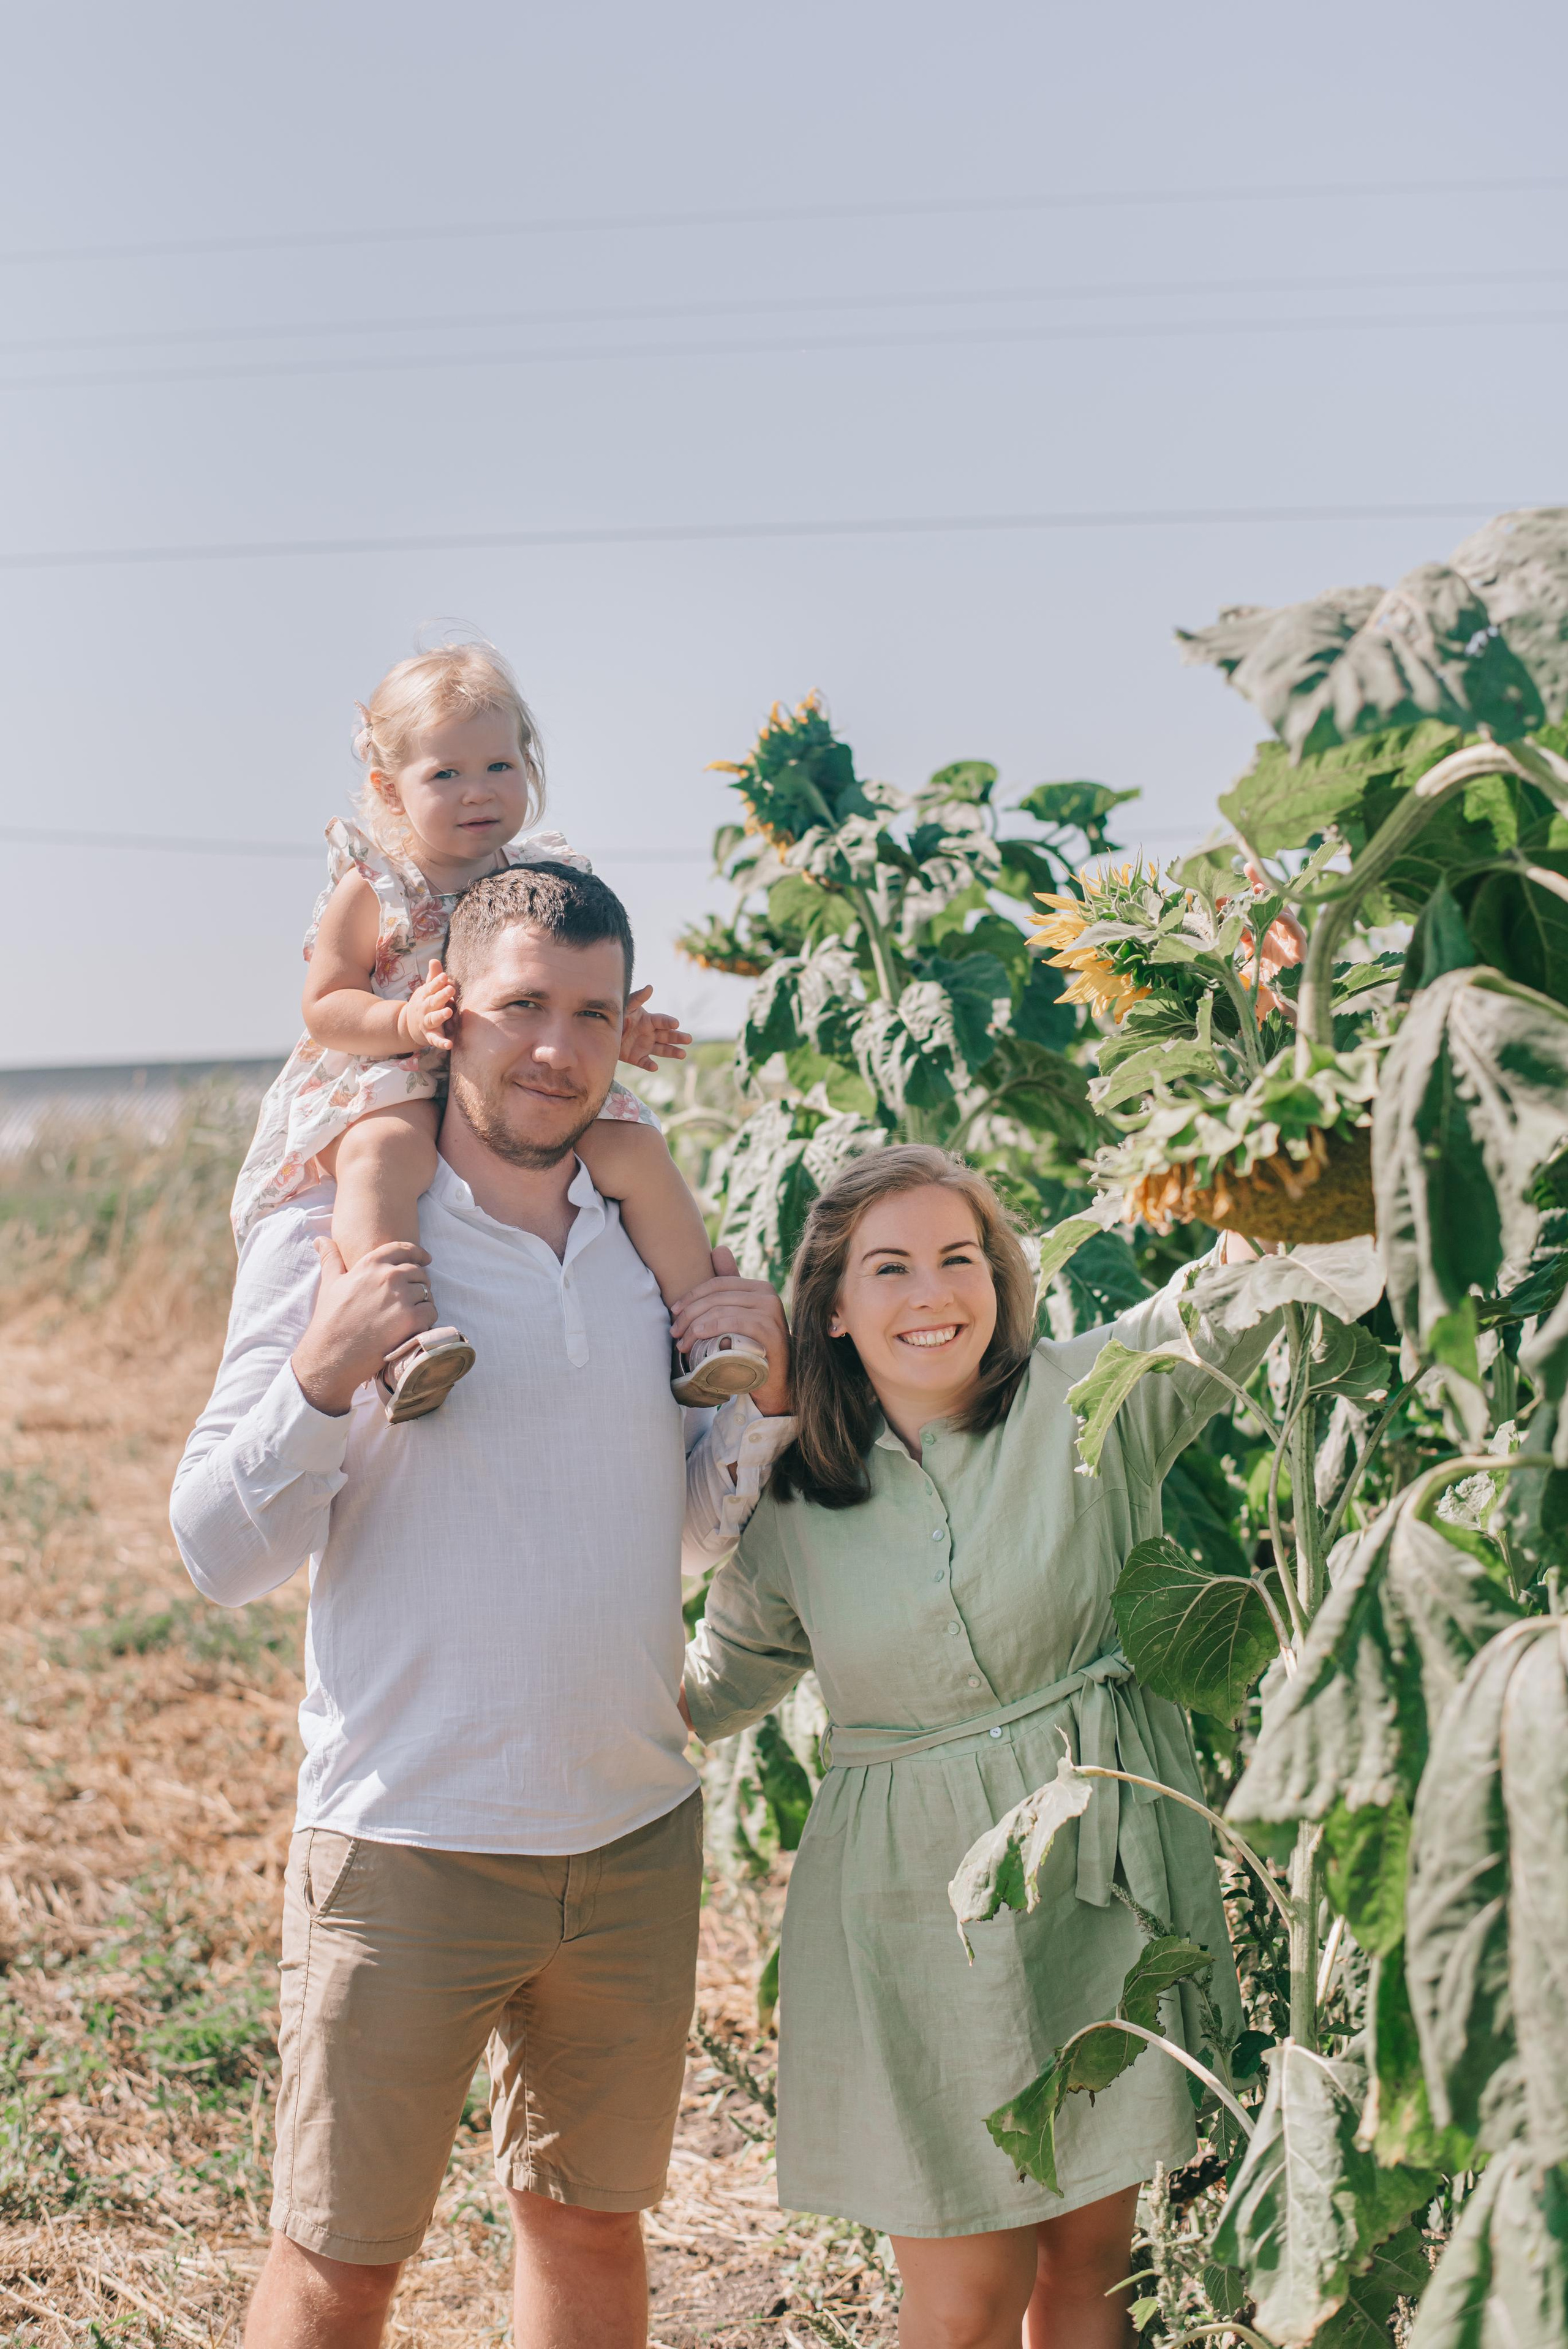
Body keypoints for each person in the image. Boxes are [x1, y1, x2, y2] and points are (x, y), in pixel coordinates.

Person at [172, 860, 794, 2349]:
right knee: (338, 2265)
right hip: (405, 1840)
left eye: (591, 1010)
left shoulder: (650, 1247)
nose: (554, 1047)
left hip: (630, 1832)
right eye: (520, 1003)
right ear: (448, 1008)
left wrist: (761, 1399)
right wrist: (322, 1378)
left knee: (588, 2236)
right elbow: (214, 1548)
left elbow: (696, 1530)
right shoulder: (339, 1229)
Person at [682, 1146, 1280, 2349]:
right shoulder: (792, 1494)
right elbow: (722, 1678)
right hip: (911, 1917)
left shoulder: (1088, 1394)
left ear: (1002, 1280)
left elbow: (1228, 1308)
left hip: (1099, 1876)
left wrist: (1285, 1155)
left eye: (960, 1259)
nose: (931, 1294)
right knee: (961, 2297)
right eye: (889, 1268)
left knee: (1094, 2272)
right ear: (833, 1309)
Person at [231, 640, 768, 1421]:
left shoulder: (539, 875)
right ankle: (398, 1336)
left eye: (499, 768)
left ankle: (704, 1328)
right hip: (403, 1068)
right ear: (390, 787)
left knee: (636, 1150)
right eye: (445, 774)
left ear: (530, 766)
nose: (477, 792)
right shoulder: (377, 885)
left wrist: (619, 1026)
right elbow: (325, 1003)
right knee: (382, 1155)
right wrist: (400, 1018)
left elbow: (564, 988)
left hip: (521, 1072)